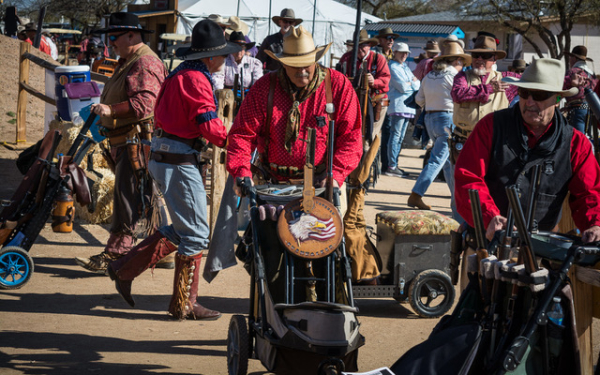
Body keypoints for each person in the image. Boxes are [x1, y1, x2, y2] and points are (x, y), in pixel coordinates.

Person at [107, 19, 238, 320]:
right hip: (178, 158)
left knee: (183, 230)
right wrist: (235, 141)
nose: (225, 60)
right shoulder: (196, 79)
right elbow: (208, 125)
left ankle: (124, 269)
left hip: (168, 154)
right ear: (211, 56)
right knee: (195, 234)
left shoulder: (183, 73)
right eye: (222, 54)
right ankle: (184, 303)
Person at [226, 26, 372, 286]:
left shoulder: (337, 85)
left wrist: (335, 174)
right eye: (295, 66)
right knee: (270, 255)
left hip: (321, 184)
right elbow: (241, 134)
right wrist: (241, 171)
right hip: (273, 185)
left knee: (325, 254)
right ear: (283, 64)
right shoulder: (264, 88)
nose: (302, 71)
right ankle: (274, 302)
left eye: (308, 64)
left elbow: (351, 138)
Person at [454, 58, 600, 244]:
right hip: (486, 240)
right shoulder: (490, 127)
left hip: (542, 246)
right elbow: (468, 177)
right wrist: (490, 217)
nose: (529, 101)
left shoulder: (576, 143)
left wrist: (595, 224)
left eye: (539, 95)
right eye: (524, 93)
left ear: (557, 99)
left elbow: (589, 193)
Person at [75, 12, 168, 273]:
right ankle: (161, 250)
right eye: (109, 37)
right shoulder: (130, 60)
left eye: (114, 37)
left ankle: (117, 254)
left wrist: (111, 111)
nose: (111, 43)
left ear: (132, 35)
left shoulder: (144, 62)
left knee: (128, 199)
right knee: (140, 197)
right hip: (129, 140)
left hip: (137, 141)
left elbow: (145, 105)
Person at [409, 38, 470, 215]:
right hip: (447, 118)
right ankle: (416, 193)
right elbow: (460, 96)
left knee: (447, 162)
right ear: (457, 60)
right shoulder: (454, 76)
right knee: (439, 159)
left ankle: (456, 200)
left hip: (430, 118)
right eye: (461, 61)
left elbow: (419, 100)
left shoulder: (429, 76)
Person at [450, 33, 520, 164]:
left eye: (486, 56)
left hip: (493, 142)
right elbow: (458, 94)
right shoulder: (462, 77)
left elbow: (532, 84)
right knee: (463, 181)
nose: (480, 59)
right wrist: (489, 89)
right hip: (465, 140)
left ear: (494, 59)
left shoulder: (507, 79)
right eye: (476, 55)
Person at [337, 29, 391, 148]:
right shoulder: (346, 58)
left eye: (363, 45)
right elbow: (338, 78)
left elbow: (386, 80)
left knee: (369, 138)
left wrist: (374, 81)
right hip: (352, 104)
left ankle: (368, 162)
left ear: (369, 45)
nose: (360, 48)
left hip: (376, 103)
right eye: (357, 45)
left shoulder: (379, 59)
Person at [385, 42, 419, 178]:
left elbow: (418, 84)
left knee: (399, 137)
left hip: (406, 106)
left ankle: (394, 164)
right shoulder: (393, 67)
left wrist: (411, 82)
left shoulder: (403, 66)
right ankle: (391, 165)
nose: (404, 55)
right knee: (396, 136)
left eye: (406, 53)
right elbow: (403, 87)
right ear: (396, 53)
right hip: (398, 105)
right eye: (402, 52)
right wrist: (412, 82)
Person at [563, 45, 597, 134]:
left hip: (577, 110)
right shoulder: (592, 75)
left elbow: (562, 88)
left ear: (574, 58)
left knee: (577, 140)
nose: (570, 59)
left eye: (571, 57)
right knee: (587, 138)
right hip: (590, 110)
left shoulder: (572, 72)